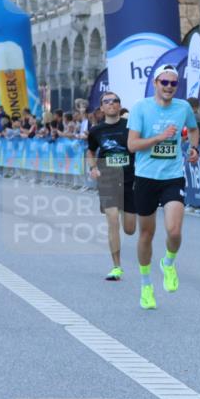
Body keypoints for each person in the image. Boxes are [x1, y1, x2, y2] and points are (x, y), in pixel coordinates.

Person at [126, 64, 200, 310]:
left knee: (175, 231)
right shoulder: (141, 108)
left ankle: (168, 263)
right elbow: (132, 145)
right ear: (155, 83)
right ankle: (146, 285)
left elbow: (194, 129)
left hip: (172, 176)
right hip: (146, 177)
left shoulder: (183, 107)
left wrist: (194, 147)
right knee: (146, 234)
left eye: (173, 83)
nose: (169, 87)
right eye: (164, 82)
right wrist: (159, 138)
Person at [86, 90, 137, 280]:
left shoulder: (130, 126)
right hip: (107, 178)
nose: (111, 104)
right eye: (107, 101)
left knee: (130, 229)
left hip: (130, 178)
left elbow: (139, 145)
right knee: (112, 219)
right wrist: (93, 168)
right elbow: (90, 151)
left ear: (119, 105)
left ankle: (125, 208)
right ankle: (117, 266)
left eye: (115, 101)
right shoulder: (96, 131)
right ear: (102, 108)